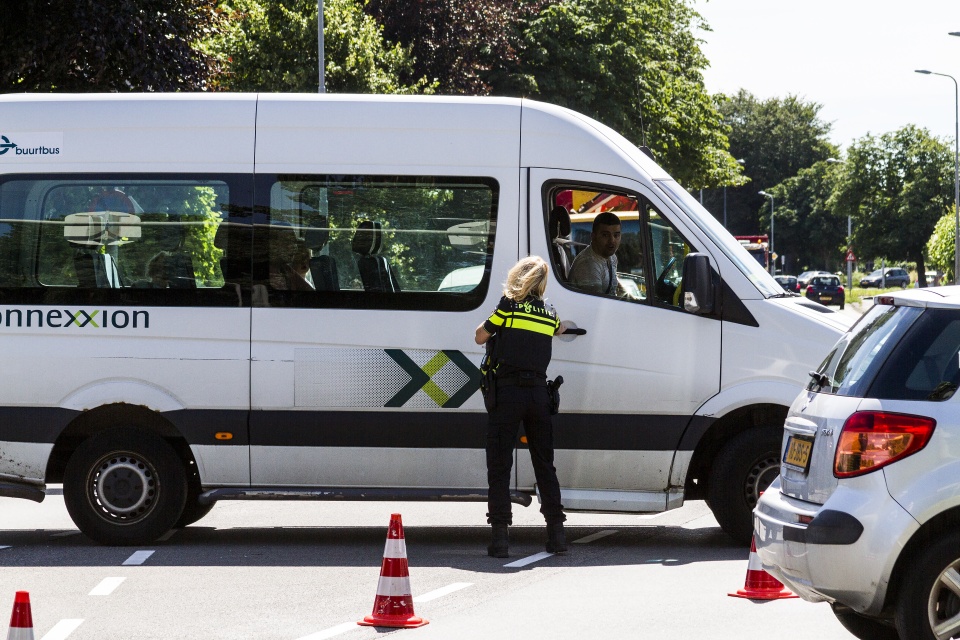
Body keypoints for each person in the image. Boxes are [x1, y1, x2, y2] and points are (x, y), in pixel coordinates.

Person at [475, 256, 567, 558]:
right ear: (541, 283)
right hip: (540, 396)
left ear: (517, 277)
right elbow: (559, 329)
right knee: (544, 464)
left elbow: (480, 336)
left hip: (508, 394)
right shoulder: (548, 313)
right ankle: (557, 536)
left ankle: (500, 539)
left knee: (500, 465)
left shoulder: (507, 306)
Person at [568, 211, 621, 295]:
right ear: (593, 236)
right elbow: (596, 304)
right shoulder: (588, 264)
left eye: (616, 235)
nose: (612, 241)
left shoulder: (612, 257)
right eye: (605, 235)